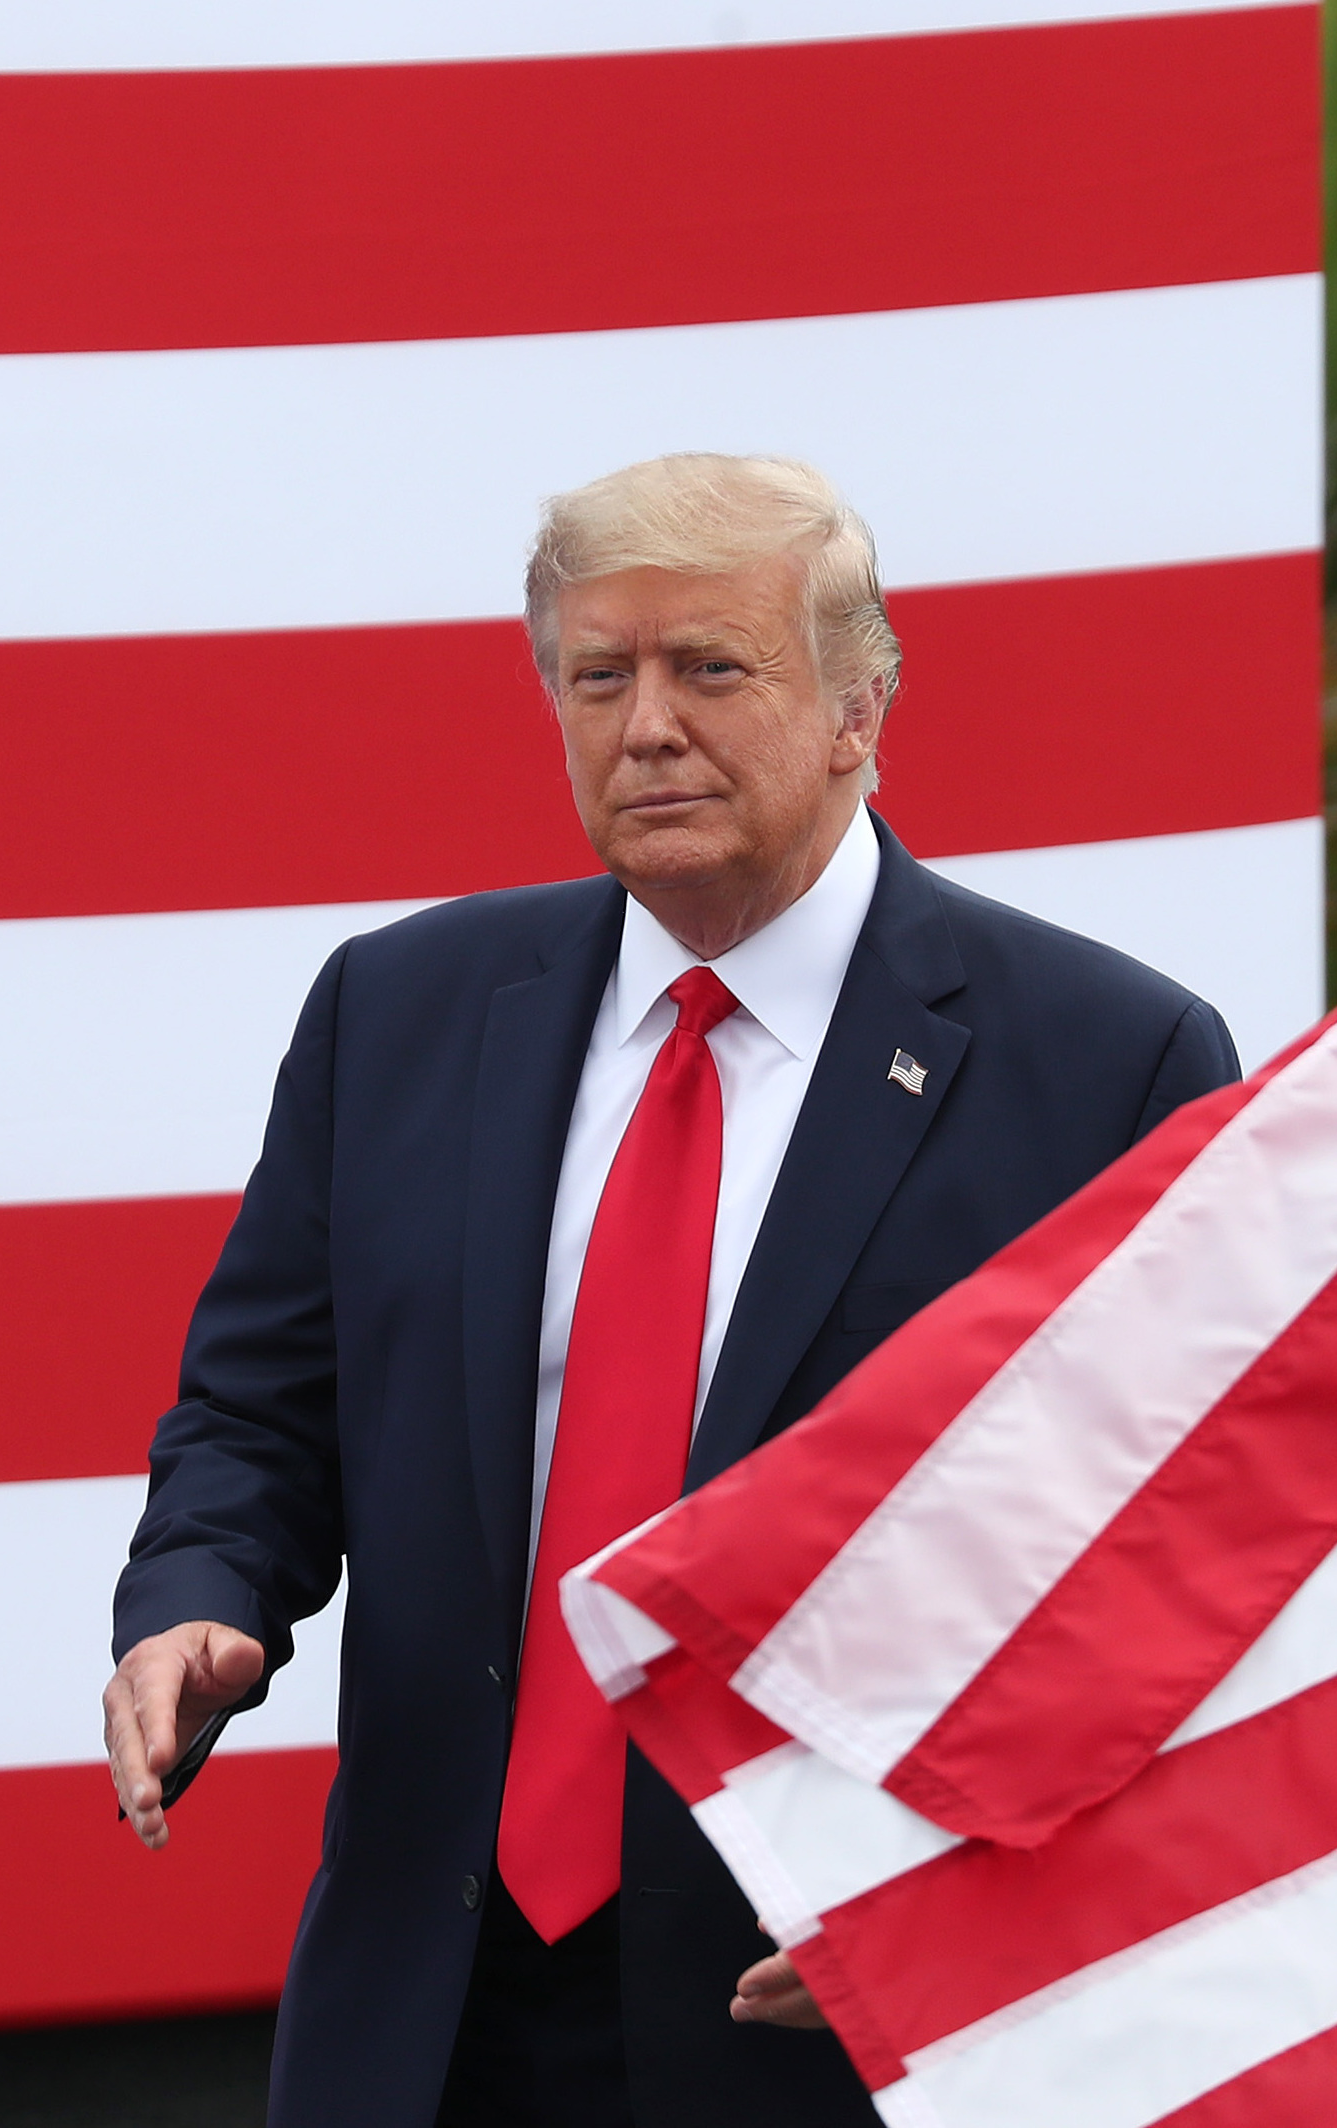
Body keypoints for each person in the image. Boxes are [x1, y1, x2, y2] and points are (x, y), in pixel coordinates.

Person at [101, 454, 1240, 2127]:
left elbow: (1177, 1556)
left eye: (710, 668)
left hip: (829, 2010)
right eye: (597, 674)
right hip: (431, 2004)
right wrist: (199, 1594)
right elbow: (261, 1410)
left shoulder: (1105, 1063)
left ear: (857, 708)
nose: (644, 725)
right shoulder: (398, 1009)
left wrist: (957, 1879)